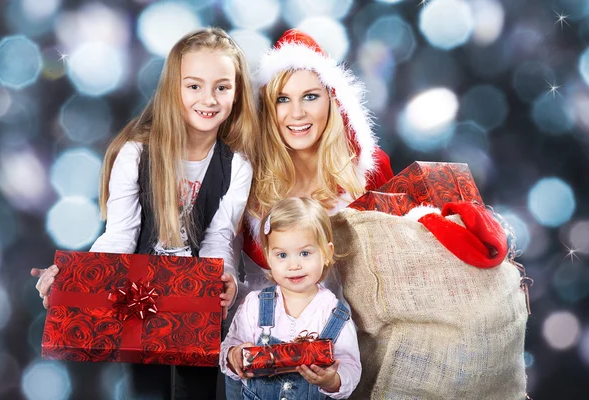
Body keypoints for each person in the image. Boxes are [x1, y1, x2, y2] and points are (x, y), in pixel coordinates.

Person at [31, 27, 257, 400]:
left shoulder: (237, 166)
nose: (209, 99)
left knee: (197, 390)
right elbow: (121, 234)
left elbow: (220, 236)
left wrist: (226, 276)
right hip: (138, 297)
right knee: (145, 390)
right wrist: (74, 279)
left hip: (196, 300)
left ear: (237, 92)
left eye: (222, 86)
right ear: (173, 89)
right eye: (194, 86)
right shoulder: (136, 154)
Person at [240, 28, 394, 295]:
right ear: (266, 109)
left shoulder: (371, 170)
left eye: (310, 96)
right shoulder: (245, 182)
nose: (297, 113)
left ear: (333, 102)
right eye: (282, 100)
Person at [221, 197, 361, 399]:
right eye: (282, 255)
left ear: (326, 253)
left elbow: (351, 368)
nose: (293, 265)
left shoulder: (334, 314)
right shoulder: (254, 304)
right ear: (268, 256)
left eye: (305, 253)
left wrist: (332, 380)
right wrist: (233, 356)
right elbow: (230, 347)